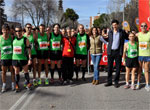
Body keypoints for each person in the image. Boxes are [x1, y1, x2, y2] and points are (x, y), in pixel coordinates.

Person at [105, 19, 128, 88]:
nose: (114, 26)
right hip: (110, 51)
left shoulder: (121, 32)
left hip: (118, 51)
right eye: (113, 25)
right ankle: (109, 81)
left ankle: (116, 82)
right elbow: (107, 40)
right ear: (112, 25)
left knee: (118, 68)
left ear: (118, 25)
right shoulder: (110, 32)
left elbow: (127, 37)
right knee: (109, 67)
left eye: (115, 24)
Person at [12, 26, 32, 92]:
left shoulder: (25, 39)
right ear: (15, 32)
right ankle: (17, 85)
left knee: (26, 72)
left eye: (19, 31)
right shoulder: (13, 39)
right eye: (17, 31)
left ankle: (28, 84)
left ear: (22, 31)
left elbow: (29, 50)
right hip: (15, 58)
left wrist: (30, 58)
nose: (18, 32)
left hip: (23, 58)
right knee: (16, 72)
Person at [0, 24, 15, 93]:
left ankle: (13, 84)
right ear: (2, 30)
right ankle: (4, 85)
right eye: (4, 30)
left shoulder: (11, 37)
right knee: (3, 72)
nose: (5, 31)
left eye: (6, 30)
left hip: (11, 57)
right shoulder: (0, 38)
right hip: (3, 58)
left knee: (12, 71)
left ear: (8, 31)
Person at [136, 22, 150, 91]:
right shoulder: (138, 34)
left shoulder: (149, 34)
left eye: (145, 26)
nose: (143, 27)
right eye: (142, 26)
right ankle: (138, 82)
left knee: (146, 70)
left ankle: (147, 84)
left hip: (147, 55)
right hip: (140, 54)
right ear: (140, 27)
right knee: (139, 70)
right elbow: (130, 37)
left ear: (146, 27)